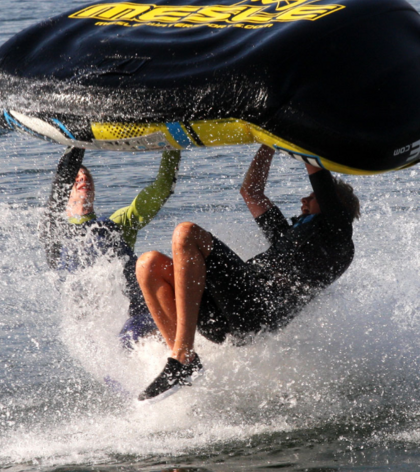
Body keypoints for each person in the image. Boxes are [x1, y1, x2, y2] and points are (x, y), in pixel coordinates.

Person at [135, 145, 360, 401]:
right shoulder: (288, 234)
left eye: (313, 196)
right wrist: (268, 143)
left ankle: (182, 357)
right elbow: (251, 191)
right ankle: (185, 363)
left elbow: (317, 170)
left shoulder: (337, 234)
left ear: (335, 204)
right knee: (148, 264)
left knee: (186, 233)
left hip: (259, 310)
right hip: (228, 311)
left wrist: (297, 135)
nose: (303, 201)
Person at [39, 146, 180, 350]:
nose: (83, 179)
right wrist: (77, 144)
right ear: (64, 194)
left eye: (87, 177)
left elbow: (162, 188)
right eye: (76, 178)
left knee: (132, 335)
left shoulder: (117, 224)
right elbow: (56, 193)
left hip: (140, 316)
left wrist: (171, 145)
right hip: (95, 332)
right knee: (108, 345)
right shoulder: (55, 236)